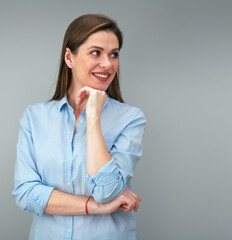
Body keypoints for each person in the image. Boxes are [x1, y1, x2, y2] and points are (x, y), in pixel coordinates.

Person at [12, 14, 146, 240]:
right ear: (69, 57)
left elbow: (107, 191)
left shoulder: (130, 119)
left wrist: (93, 116)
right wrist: (94, 207)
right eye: (96, 52)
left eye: (114, 54)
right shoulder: (34, 117)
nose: (107, 64)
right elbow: (26, 193)